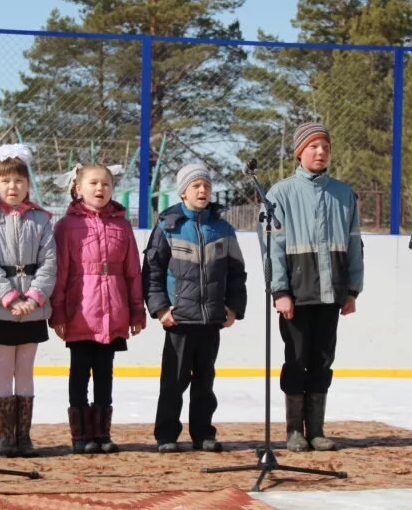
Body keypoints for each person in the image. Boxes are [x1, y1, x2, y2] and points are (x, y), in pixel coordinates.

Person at [267, 122, 364, 452]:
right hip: (296, 294)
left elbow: (354, 245)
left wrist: (352, 289)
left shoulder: (344, 194)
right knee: (295, 359)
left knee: (323, 359)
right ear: (299, 152)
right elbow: (273, 248)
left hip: (331, 292)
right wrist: (280, 290)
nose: (320, 152)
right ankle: (294, 430)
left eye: (325, 146)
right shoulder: (280, 194)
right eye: (313, 146)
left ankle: (317, 429)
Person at [142, 163, 248, 453]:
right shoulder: (168, 226)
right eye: (195, 186)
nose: (202, 191)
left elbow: (237, 272)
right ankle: (166, 434)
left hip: (211, 319)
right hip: (179, 319)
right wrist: (161, 308)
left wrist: (234, 308)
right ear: (183, 191)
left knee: (205, 381)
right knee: (173, 381)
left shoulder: (223, 229)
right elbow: (152, 272)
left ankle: (203, 432)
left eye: (206, 186)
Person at [51, 163, 145, 454]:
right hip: (80, 312)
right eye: (93, 183)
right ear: (78, 189)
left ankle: (102, 433)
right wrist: (58, 312)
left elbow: (132, 272)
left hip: (113, 313)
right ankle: (81, 435)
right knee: (79, 372)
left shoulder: (121, 224)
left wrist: (136, 311)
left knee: (105, 373)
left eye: (105, 184)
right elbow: (61, 272)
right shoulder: (67, 226)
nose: (99, 189)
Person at [0, 144, 56, 457]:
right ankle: (5, 436)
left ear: (28, 185)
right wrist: (9, 298)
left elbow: (50, 261)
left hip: (33, 310)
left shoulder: (41, 219)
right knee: (3, 368)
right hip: (0, 309)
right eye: (6, 181)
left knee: (25, 370)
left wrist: (35, 298)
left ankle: (24, 436)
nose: (13, 187)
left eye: (19, 181)